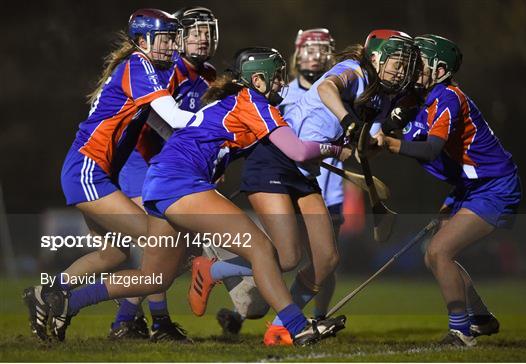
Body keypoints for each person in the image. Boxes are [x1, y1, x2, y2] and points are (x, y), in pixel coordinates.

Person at [41, 47, 349, 347]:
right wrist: (337, 149)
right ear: (257, 80)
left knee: (155, 278)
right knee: (260, 249)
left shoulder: (237, 101)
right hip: (181, 182)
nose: (282, 82)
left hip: (162, 182)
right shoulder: (253, 103)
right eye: (277, 76)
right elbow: (297, 150)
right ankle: (296, 327)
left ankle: (68, 301)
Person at [193, 34, 419, 346]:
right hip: (276, 160)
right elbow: (328, 89)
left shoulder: (381, 97)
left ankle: (280, 328)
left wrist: (377, 141)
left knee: (327, 260)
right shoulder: (354, 71)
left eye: (405, 65)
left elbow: (368, 144)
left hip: (306, 169)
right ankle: (212, 270)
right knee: (286, 258)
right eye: (398, 62)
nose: (401, 70)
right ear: (377, 58)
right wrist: (347, 122)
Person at [23, 8, 195, 342]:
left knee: (113, 254)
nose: (172, 45)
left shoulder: (142, 67)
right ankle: (75, 304)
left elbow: (158, 123)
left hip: (92, 171)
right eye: (165, 39)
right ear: (142, 41)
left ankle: (47, 295)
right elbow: (172, 117)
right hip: (89, 171)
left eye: (173, 38)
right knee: (159, 242)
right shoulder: (139, 65)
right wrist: (221, 125)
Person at [381, 34, 521, 347]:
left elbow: (431, 150)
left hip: (494, 187)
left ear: (440, 69)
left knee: (438, 251)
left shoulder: (448, 97)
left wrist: (390, 144)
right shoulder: (421, 99)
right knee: (437, 256)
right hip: (469, 186)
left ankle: (461, 331)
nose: (412, 69)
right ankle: (481, 319)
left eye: (420, 64)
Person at [215, 28, 342, 337]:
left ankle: (310, 317)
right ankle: (259, 315)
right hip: (282, 176)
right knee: (285, 257)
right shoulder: (273, 95)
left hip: (321, 184)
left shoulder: (339, 89)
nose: (315, 55)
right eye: (309, 49)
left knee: (325, 260)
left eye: (321, 49)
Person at [110, 6, 219, 342]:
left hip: (172, 167)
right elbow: (153, 117)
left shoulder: (210, 75)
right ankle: (142, 321)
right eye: (194, 32)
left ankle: (136, 320)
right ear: (178, 38)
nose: (202, 38)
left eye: (207, 31)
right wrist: (187, 145)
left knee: (173, 247)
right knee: (162, 243)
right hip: (141, 160)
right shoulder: (164, 69)